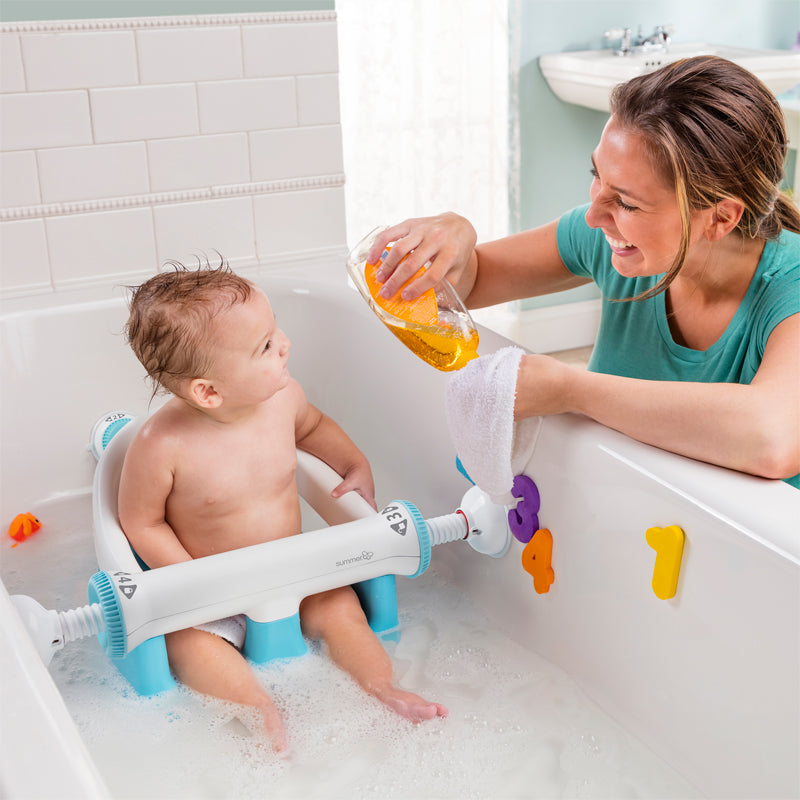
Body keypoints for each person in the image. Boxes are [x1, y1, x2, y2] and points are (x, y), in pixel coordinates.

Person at [368, 56, 800, 488]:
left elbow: (773, 439)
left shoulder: (789, 285)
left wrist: (569, 390)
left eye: (627, 203)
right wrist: (457, 242)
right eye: (597, 175)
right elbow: (471, 283)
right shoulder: (614, 240)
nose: (594, 215)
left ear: (721, 218)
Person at [118, 263, 447, 754]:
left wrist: (353, 463)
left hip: (294, 575)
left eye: (276, 331)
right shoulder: (160, 445)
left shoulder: (284, 399)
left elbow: (314, 429)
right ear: (209, 391)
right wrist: (193, 581)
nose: (285, 345)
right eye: (266, 346)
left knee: (340, 607)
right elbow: (141, 522)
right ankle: (261, 713)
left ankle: (383, 687)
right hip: (215, 598)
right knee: (187, 643)